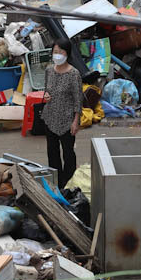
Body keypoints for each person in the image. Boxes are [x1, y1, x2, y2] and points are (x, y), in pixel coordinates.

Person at [42, 37, 83, 191]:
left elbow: (78, 99)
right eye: (55, 52)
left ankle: (68, 184)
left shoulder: (74, 74)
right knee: (52, 153)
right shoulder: (48, 70)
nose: (57, 55)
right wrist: (45, 95)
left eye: (60, 52)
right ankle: (56, 183)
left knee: (68, 154)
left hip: (67, 120)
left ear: (67, 53)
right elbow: (46, 90)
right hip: (50, 117)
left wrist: (75, 121)